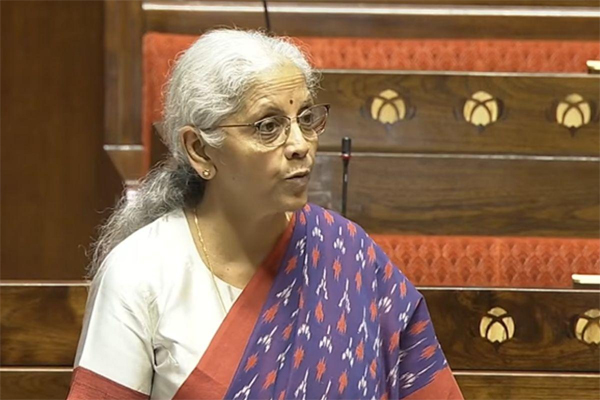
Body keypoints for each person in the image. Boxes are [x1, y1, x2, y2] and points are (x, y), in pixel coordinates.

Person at [67, 29, 463, 400]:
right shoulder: (139, 273)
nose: (300, 145)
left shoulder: (350, 255)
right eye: (268, 126)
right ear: (199, 150)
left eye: (306, 119)